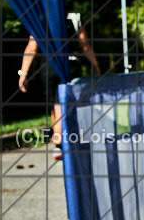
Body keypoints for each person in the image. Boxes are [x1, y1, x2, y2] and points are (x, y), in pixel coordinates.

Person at [18, 16, 100, 160]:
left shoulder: (40, 18)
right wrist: (95, 66)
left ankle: (59, 144)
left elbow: (32, 46)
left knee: (56, 106)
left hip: (49, 66)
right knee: (64, 105)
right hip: (70, 64)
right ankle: (67, 141)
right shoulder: (73, 18)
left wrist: (23, 73)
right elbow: (84, 44)